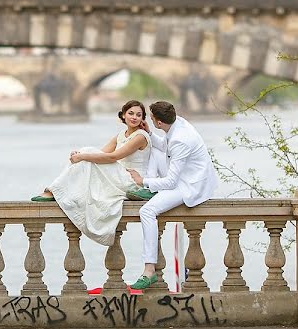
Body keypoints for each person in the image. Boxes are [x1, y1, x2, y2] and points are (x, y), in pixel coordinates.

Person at [30, 100, 156, 246]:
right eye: (131, 113)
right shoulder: (121, 135)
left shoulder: (140, 136)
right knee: (86, 154)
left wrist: (83, 156)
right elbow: (101, 154)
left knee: (87, 153)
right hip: (120, 175)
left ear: (143, 119)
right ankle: (58, 190)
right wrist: (81, 156)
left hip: (133, 181)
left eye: (139, 115)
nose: (134, 117)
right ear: (123, 115)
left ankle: (53, 191)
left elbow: (113, 157)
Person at [125, 100, 218, 291]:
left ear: (159, 122)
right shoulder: (178, 124)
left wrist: (142, 180)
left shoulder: (180, 140)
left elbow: (171, 182)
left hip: (190, 185)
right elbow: (165, 146)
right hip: (184, 175)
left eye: (151, 119)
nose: (148, 120)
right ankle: (149, 190)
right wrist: (150, 133)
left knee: (147, 212)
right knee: (152, 145)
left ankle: (149, 270)